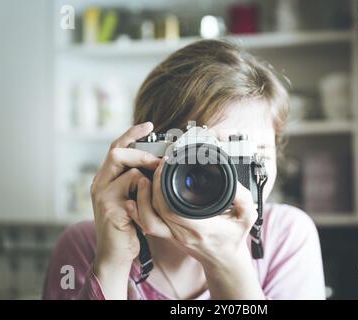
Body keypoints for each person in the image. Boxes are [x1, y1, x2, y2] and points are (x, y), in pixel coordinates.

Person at [43, 40, 325, 300]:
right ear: (144, 154)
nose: (219, 176)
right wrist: (113, 262)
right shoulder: (88, 244)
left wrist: (228, 261)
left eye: (253, 155)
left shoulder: (285, 236)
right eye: (201, 157)